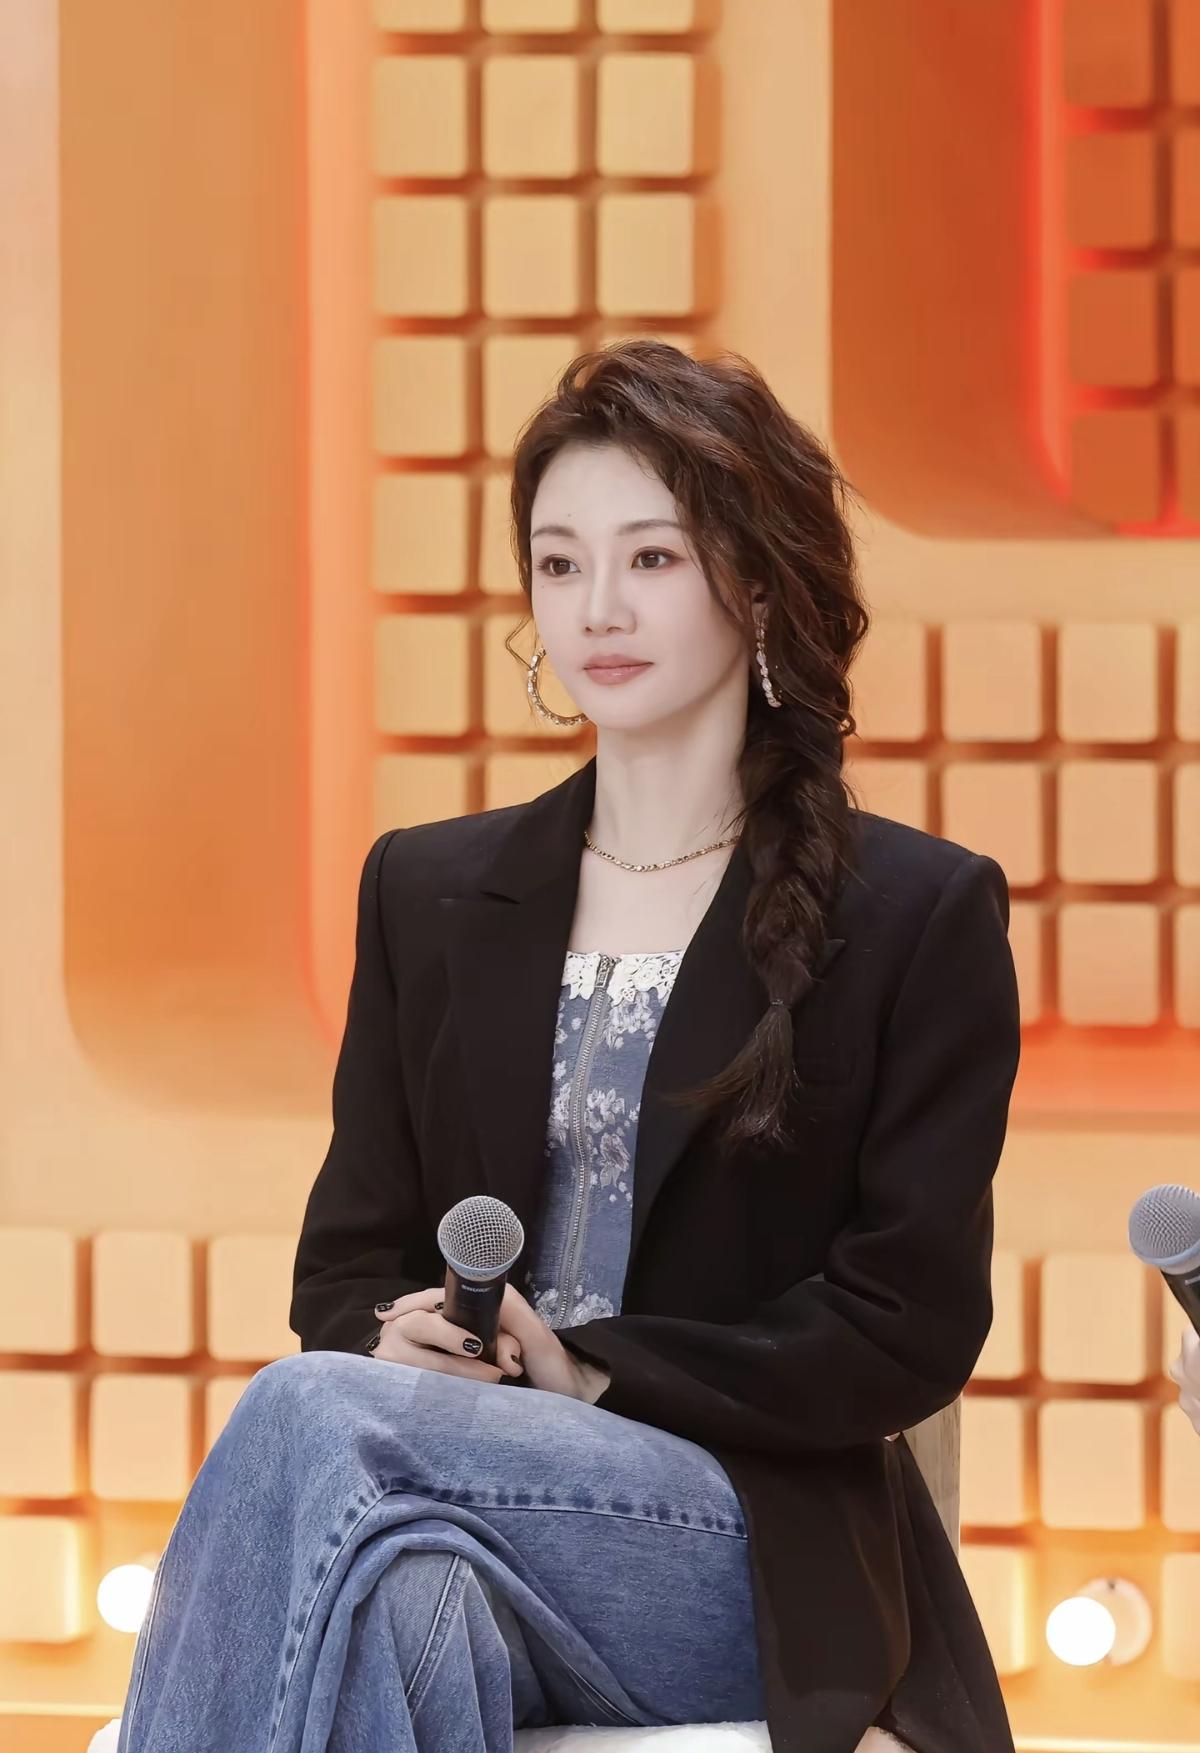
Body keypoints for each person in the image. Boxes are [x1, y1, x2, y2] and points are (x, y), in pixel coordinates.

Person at [114, 340, 1021, 1753]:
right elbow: (341, 1267)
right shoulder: (426, 889)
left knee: (312, 1418)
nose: (598, 606)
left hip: (744, 1540)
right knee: (405, 1603)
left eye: (651, 558)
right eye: (559, 562)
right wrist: (393, 1337)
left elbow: (908, 1324)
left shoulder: (914, 912)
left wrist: (596, 1372)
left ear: (758, 581)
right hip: (450, 1500)